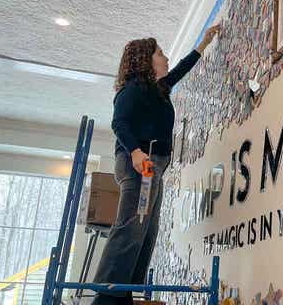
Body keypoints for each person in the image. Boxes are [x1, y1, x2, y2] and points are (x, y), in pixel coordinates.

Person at [92, 25, 220, 305]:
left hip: (154, 167)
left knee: (147, 228)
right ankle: (106, 294)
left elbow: (179, 71)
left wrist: (203, 45)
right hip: (139, 163)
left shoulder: (158, 89)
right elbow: (119, 122)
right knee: (132, 225)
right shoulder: (133, 89)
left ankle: (123, 289)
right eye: (160, 53)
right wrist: (136, 152)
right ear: (145, 60)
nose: (166, 57)